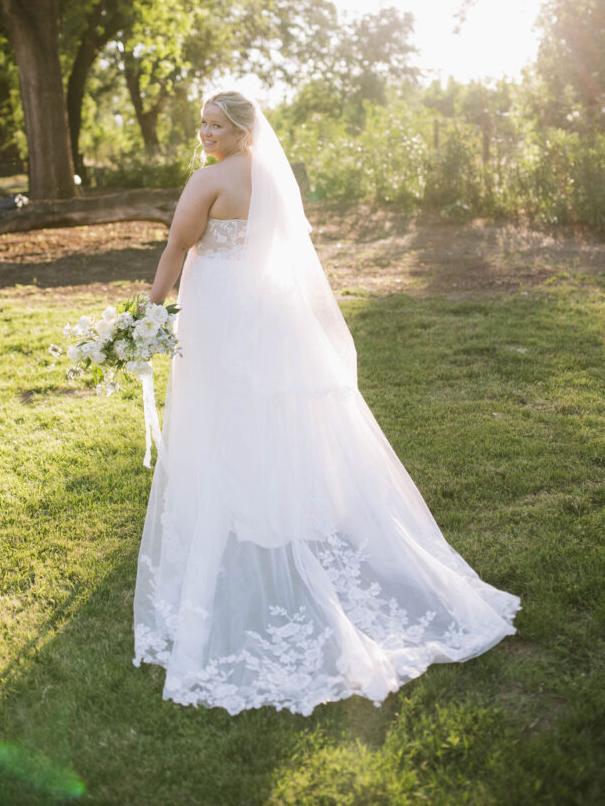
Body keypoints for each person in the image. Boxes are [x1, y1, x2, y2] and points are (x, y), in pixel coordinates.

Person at [133, 90, 520, 716]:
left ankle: (235, 515)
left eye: (215, 124)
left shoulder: (208, 180)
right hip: (267, 311)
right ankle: (273, 507)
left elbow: (177, 249)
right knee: (270, 413)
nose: (204, 133)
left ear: (241, 129)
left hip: (221, 312)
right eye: (201, 124)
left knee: (224, 414)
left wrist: (151, 313)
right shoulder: (271, 179)